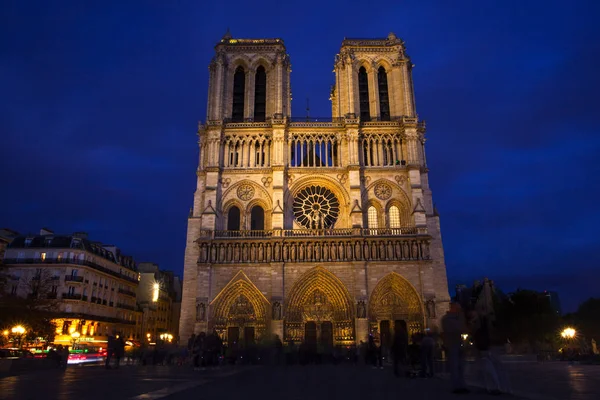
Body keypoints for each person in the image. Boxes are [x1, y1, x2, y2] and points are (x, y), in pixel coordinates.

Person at [442, 302, 469, 394]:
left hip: (460, 343)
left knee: (461, 366)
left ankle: (463, 385)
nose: (459, 311)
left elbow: (464, 329)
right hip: (452, 344)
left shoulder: (459, 318)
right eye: (458, 309)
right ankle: (456, 386)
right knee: (454, 366)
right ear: (452, 308)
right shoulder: (446, 319)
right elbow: (456, 329)